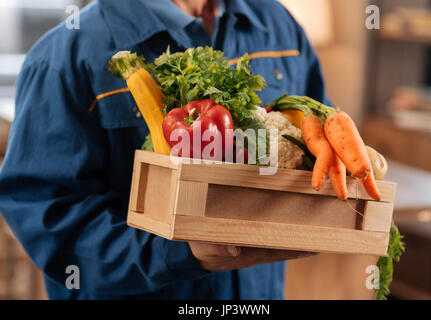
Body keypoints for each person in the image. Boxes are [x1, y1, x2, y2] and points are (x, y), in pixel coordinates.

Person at [0, 0, 331, 299]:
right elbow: (48, 218)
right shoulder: (63, 57)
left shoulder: (279, 25)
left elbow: (320, 142)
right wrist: (177, 252)